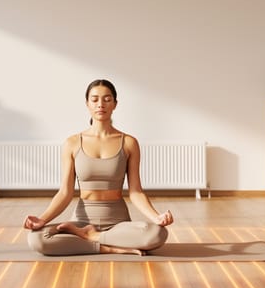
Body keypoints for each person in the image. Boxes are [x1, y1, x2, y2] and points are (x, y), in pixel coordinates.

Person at [24, 79, 174, 255]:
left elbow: (136, 192)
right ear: (87, 104)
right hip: (81, 221)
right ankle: (107, 247)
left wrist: (156, 217)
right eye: (94, 99)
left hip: (118, 224)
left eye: (107, 99)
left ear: (115, 104)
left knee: (158, 234)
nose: (100, 104)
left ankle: (93, 238)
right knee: (37, 239)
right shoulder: (72, 143)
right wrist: (42, 220)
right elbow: (65, 192)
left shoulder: (129, 143)